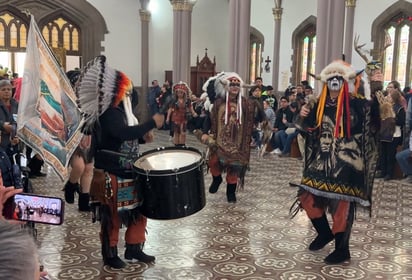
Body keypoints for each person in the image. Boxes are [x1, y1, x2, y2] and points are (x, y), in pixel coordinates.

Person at [75, 56, 164, 269]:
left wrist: (144, 137)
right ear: (117, 92)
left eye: (130, 91)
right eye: (126, 91)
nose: (129, 95)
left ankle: (134, 247)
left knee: (138, 211)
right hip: (111, 172)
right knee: (112, 215)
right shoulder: (108, 113)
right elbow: (120, 132)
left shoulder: (124, 113)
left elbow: (127, 135)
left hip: (130, 171)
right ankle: (110, 253)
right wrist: (152, 122)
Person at [293, 60, 379, 264]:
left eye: (338, 78)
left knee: (342, 207)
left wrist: (375, 86)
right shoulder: (318, 104)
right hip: (321, 162)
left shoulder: (356, 102)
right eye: (330, 78)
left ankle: (342, 249)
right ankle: (324, 233)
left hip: (347, 164)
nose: (334, 81)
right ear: (325, 82)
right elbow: (307, 129)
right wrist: (302, 116)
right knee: (306, 197)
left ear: (344, 81)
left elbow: (375, 115)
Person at [200, 72, 265, 203]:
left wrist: (259, 106)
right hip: (219, 140)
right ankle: (217, 179)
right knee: (213, 161)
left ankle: (230, 192)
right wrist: (204, 132)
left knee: (234, 168)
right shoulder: (218, 103)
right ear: (226, 87)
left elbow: (254, 118)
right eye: (232, 85)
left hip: (238, 143)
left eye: (237, 85)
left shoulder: (247, 104)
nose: (235, 87)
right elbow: (209, 117)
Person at [62, 70, 94, 211]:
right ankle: (70, 185)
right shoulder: (65, 99)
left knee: (88, 169)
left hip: (88, 136)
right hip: (72, 138)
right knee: (79, 166)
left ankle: (84, 201)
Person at [166, 81, 197, 146]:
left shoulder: (187, 100)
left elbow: (190, 107)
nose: (179, 94)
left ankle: (182, 145)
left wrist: (193, 113)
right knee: (176, 132)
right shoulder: (174, 100)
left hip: (184, 118)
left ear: (184, 93)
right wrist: (168, 118)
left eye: (181, 93)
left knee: (183, 132)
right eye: (178, 93)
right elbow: (170, 109)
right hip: (175, 118)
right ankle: (176, 146)